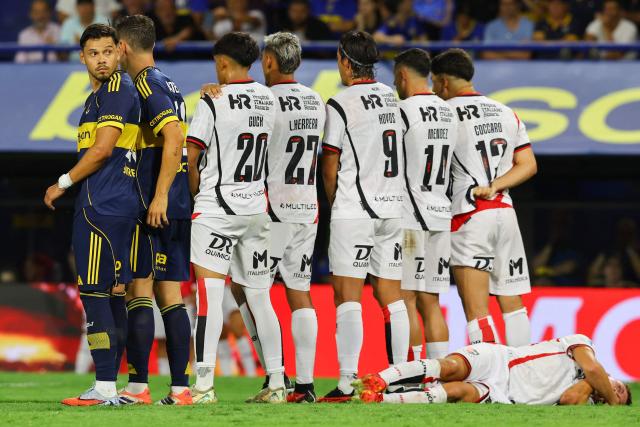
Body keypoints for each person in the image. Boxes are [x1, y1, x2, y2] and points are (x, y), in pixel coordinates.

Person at [44, 23, 140, 406]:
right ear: (82, 57)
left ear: (119, 52)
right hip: (118, 204)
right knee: (114, 295)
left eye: (107, 52)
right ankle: (111, 387)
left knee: (94, 293)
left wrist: (63, 182)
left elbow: (101, 151)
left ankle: (102, 387)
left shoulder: (116, 90)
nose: (101, 59)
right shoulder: (97, 98)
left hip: (102, 206)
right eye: (93, 53)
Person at [186, 32, 284, 404]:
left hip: (217, 208)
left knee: (209, 297)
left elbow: (192, 158)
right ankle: (277, 382)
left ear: (222, 62)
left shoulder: (212, 100)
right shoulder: (268, 99)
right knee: (260, 298)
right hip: (256, 209)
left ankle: (204, 386)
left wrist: (197, 194)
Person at [319, 30, 409, 402]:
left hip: (355, 208)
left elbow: (330, 161)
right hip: (393, 209)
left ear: (344, 60)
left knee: (347, 294)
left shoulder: (340, 103)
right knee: (391, 295)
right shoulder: (392, 98)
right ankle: (402, 377)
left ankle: (346, 382)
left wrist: (334, 202)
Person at [430, 48, 537, 347]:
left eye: (434, 84)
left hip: (469, 216)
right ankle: (522, 372)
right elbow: (528, 164)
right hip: (505, 213)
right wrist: (495, 185)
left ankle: (490, 379)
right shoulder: (506, 112)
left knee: (477, 310)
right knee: (512, 304)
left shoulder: (444, 114)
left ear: (443, 82)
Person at [114, 14, 193, 406]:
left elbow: (174, 136)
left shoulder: (144, 82)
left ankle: (138, 386)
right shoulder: (170, 82)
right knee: (171, 295)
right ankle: (180, 389)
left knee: (138, 290)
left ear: (124, 47)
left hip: (155, 205)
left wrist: (159, 196)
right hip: (177, 202)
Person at [261, 31, 326, 403]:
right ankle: (305, 384)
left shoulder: (265, 100)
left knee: (254, 290)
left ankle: (275, 377)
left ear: (270, 61)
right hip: (307, 208)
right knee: (299, 293)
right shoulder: (316, 101)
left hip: (274, 210)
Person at [393, 48, 457, 363]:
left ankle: (412, 375)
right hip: (440, 214)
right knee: (431, 301)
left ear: (403, 76)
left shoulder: (402, 111)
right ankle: (438, 373)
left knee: (405, 299)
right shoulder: (448, 111)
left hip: (410, 218)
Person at [354, 334, 632, 406]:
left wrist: (596, 388)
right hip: (500, 359)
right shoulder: (583, 345)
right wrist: (609, 397)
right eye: (621, 387)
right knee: (451, 368)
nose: (620, 390)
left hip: (504, 394)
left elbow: (572, 398)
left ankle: (380, 399)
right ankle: (382, 378)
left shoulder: (582, 391)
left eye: (621, 396)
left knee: (457, 391)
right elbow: (594, 368)